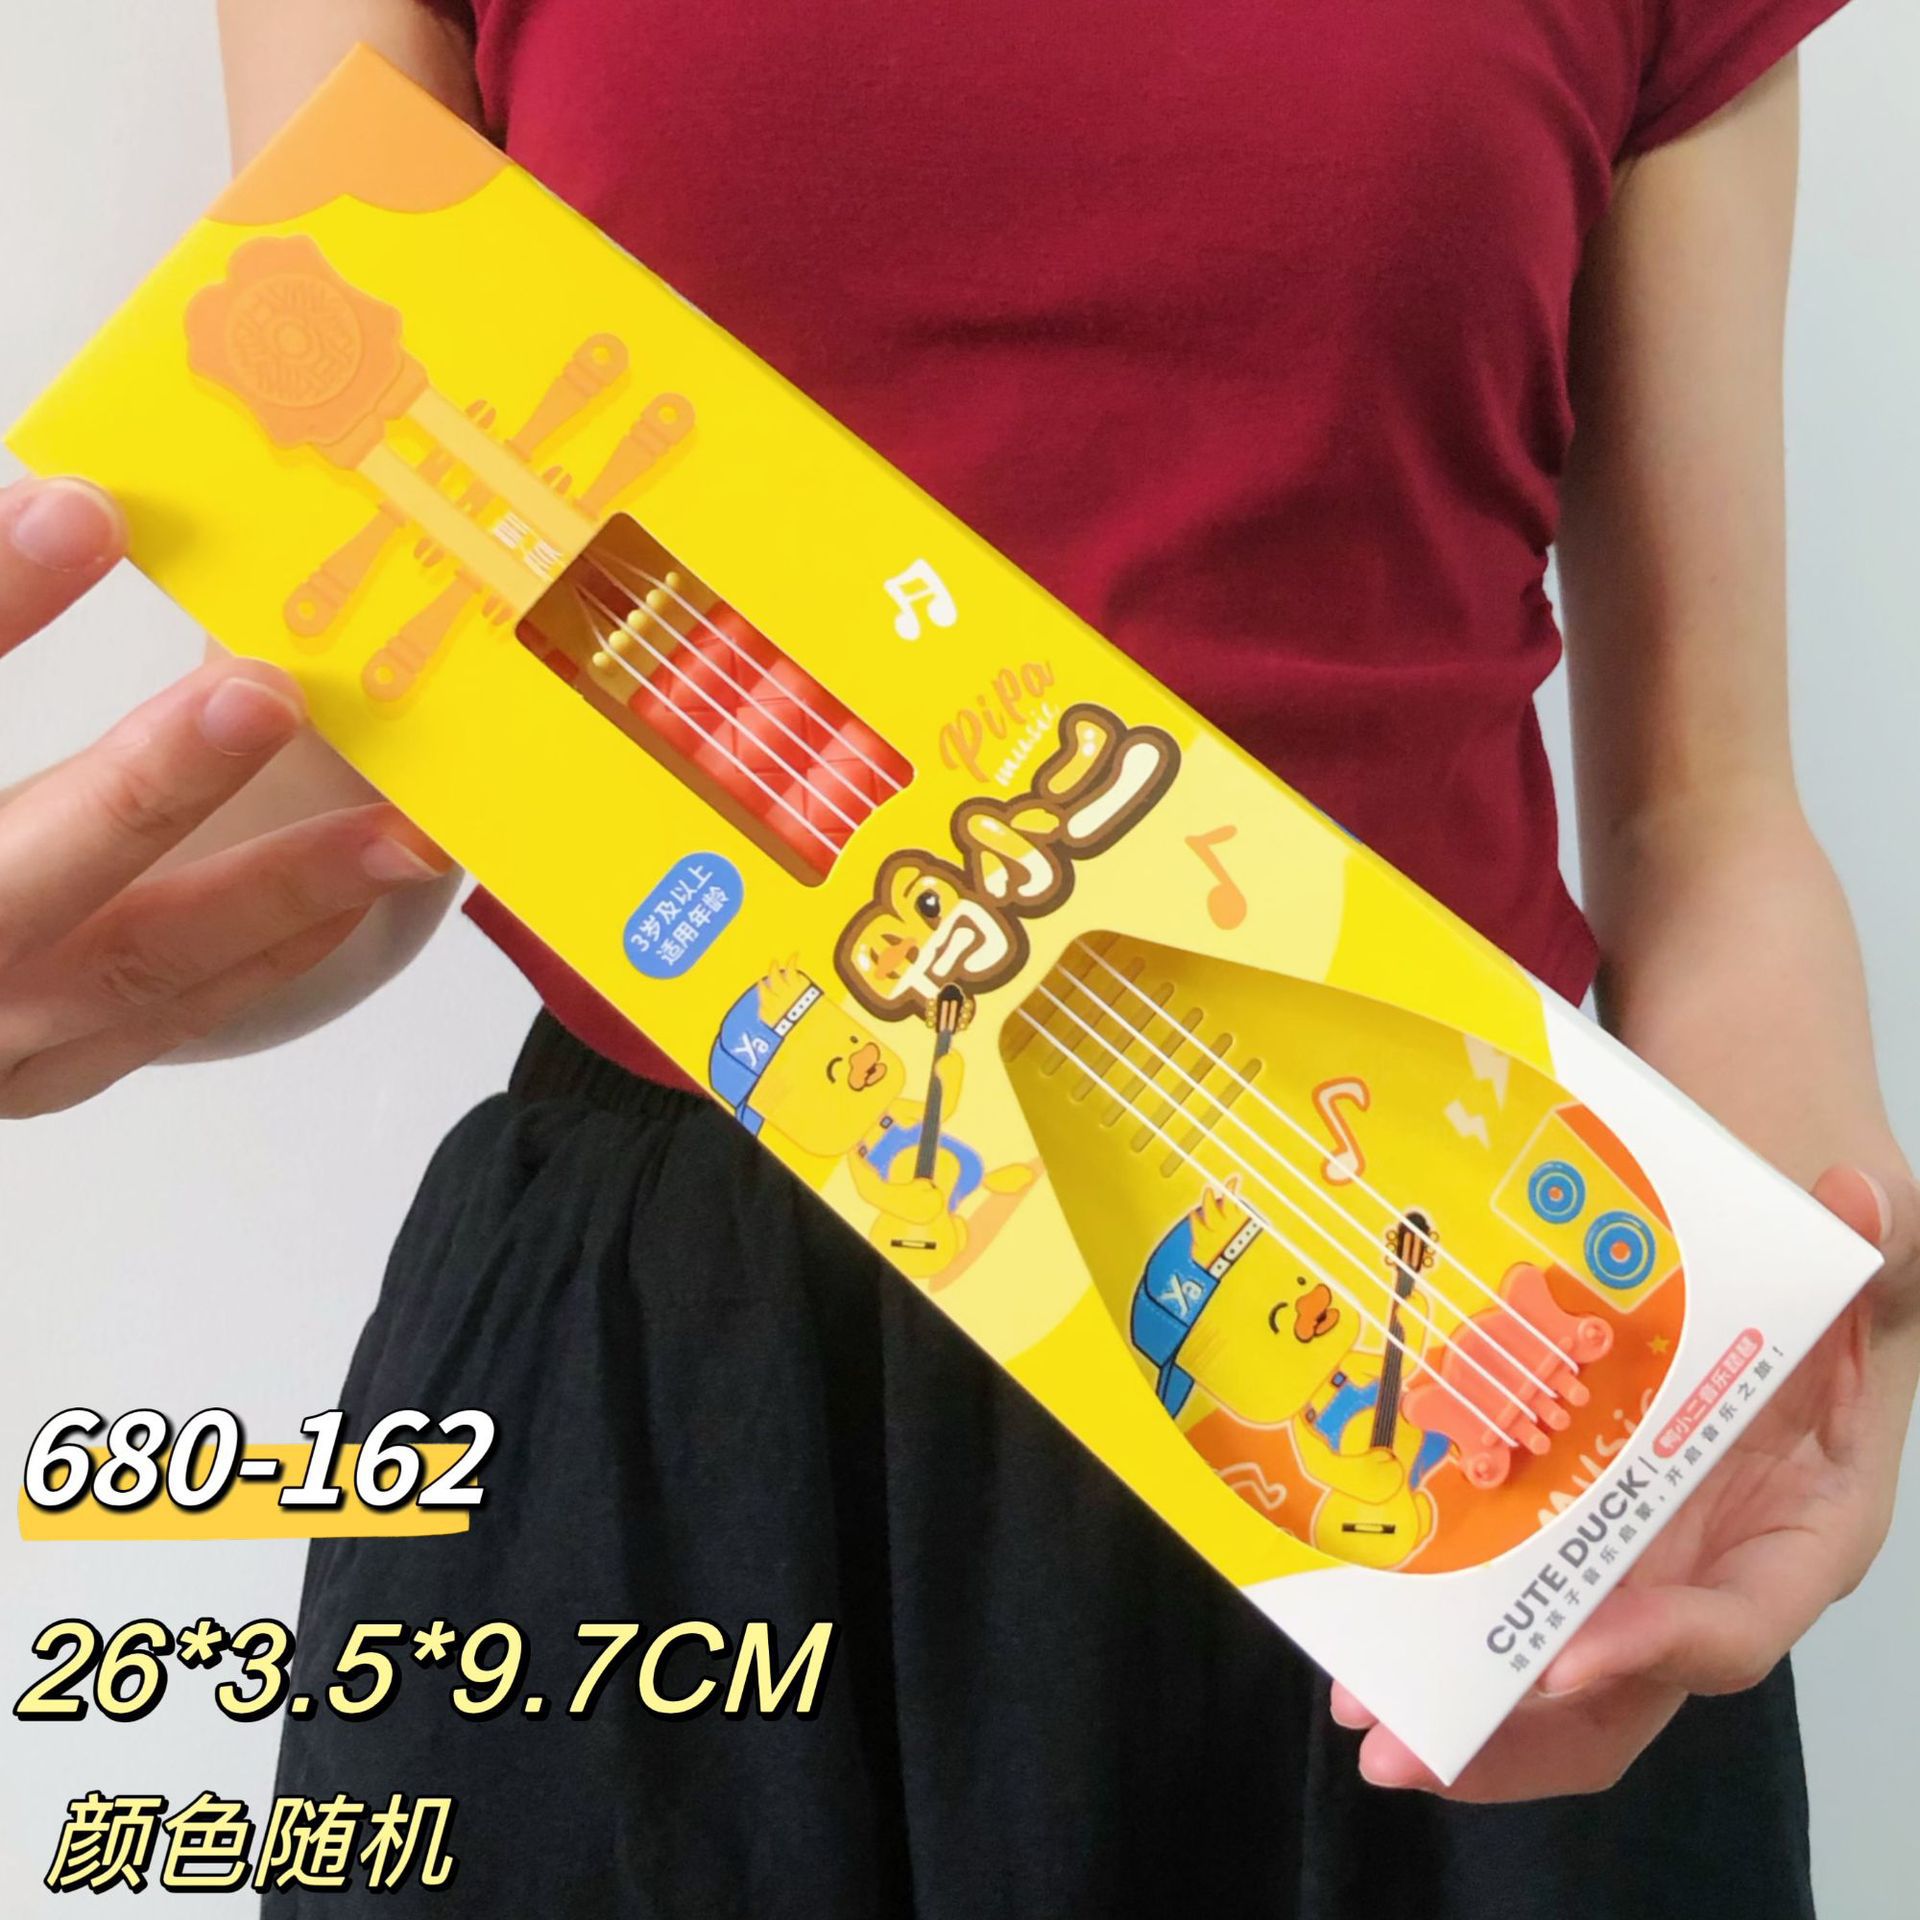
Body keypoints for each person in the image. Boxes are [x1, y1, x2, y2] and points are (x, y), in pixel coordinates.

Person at [2, 0, 1913, 1912]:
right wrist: (78, 929)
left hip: (1437, 1345)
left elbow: (1705, 815)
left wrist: (1803, 1330)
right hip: (683, 1386)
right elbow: (357, 757)